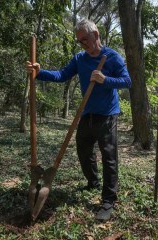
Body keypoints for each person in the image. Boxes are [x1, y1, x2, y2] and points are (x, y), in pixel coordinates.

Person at [26, 19, 131, 221]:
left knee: (109, 159)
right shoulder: (79, 59)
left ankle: (108, 200)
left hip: (107, 116)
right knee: (84, 153)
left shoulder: (112, 57)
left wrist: (105, 80)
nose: (83, 44)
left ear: (96, 35)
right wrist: (39, 73)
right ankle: (93, 181)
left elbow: (127, 81)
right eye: (80, 41)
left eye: (85, 39)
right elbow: (61, 75)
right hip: (86, 114)